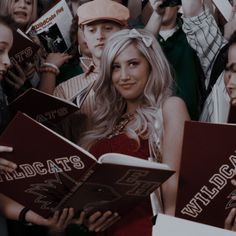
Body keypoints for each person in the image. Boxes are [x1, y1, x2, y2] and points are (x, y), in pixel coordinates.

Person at [79, 28, 189, 235]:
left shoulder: (170, 108)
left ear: (151, 65)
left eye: (133, 64)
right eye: (115, 67)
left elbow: (175, 193)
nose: (123, 76)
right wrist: (88, 219)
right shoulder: (103, 123)